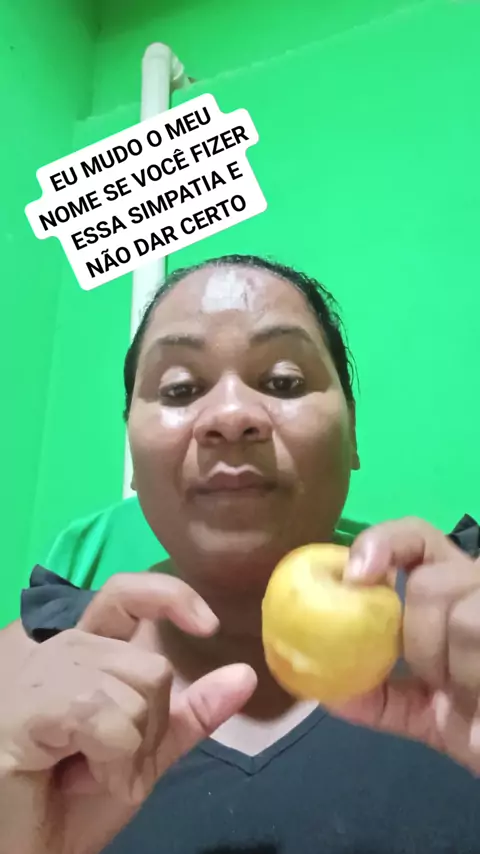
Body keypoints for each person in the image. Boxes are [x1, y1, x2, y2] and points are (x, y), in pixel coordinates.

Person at [1, 254, 480, 854]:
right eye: (180, 389)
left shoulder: (469, 628)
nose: (231, 417)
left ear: (352, 430)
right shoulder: (21, 676)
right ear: (132, 451)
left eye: (283, 381)